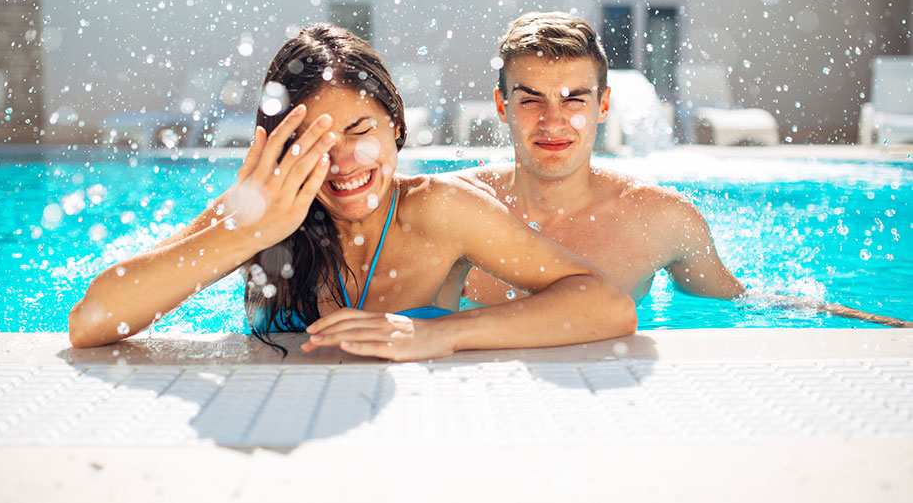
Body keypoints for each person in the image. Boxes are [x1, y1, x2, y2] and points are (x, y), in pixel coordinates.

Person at [68, 23, 637, 361]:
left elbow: (607, 305)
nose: (343, 163)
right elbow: (92, 321)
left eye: (362, 133)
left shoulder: (439, 211)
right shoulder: (258, 208)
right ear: (279, 146)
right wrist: (254, 232)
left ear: (396, 126)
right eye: (315, 143)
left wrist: (443, 334)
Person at [457, 11, 911, 328]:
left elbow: (741, 302)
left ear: (603, 106)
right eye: (531, 99)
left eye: (573, 98)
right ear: (503, 106)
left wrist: (877, 322)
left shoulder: (661, 220)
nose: (553, 121)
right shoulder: (455, 210)